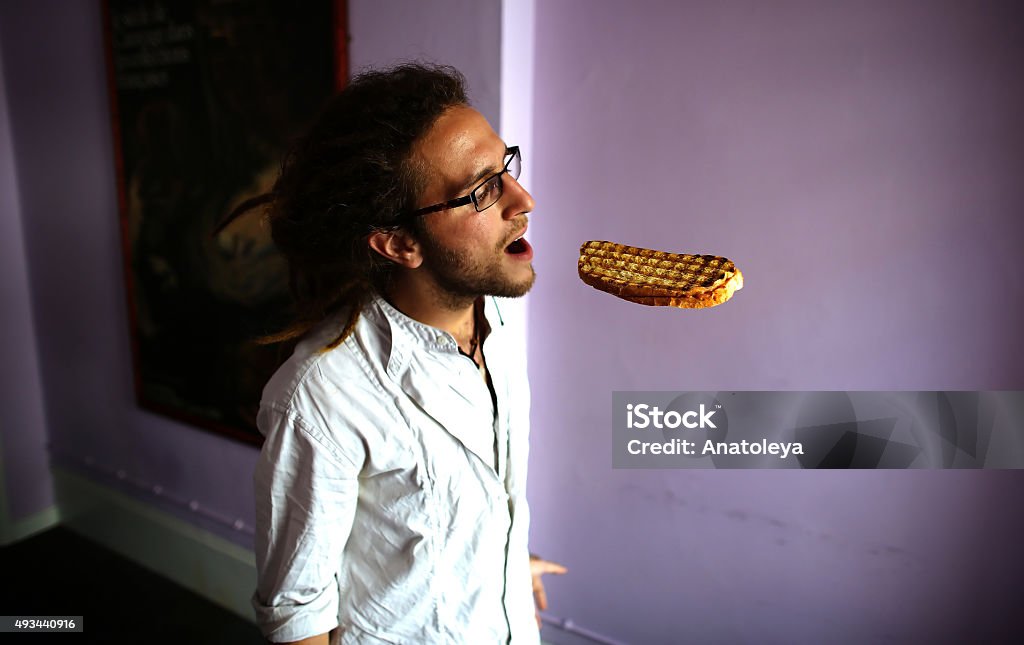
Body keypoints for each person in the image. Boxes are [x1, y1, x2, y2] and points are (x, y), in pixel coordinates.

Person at [245, 63, 566, 644]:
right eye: (481, 190)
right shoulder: (322, 393)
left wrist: (501, 566)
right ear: (399, 243)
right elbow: (298, 619)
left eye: (506, 169)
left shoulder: (497, 308)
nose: (524, 199)